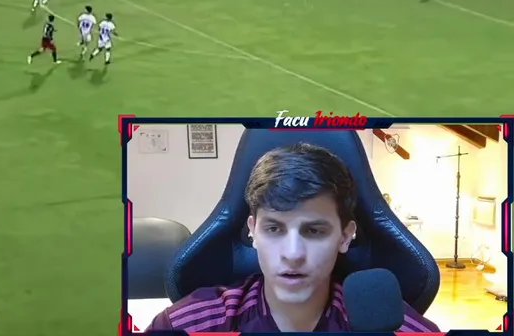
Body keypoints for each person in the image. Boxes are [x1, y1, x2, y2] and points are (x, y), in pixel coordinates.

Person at [146, 143, 439, 333]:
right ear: (253, 231)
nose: (293, 253)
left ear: (345, 236)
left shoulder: (390, 327)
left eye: (314, 231)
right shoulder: (190, 324)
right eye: (274, 229)